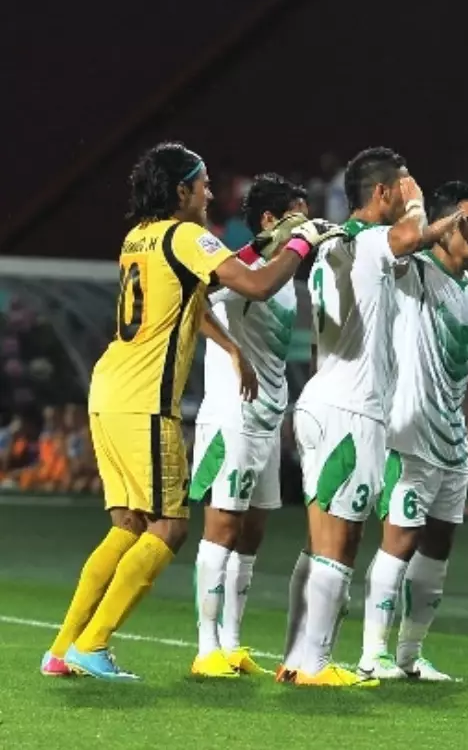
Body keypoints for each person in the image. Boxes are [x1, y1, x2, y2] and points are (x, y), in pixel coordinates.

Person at [43, 141, 340, 680]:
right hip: (144, 401)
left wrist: (230, 348)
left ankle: (63, 648)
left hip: (107, 389)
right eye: (201, 183)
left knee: (128, 525)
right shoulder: (186, 235)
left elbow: (190, 298)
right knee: (170, 527)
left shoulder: (138, 237)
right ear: (181, 190)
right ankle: (93, 643)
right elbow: (255, 282)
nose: (208, 192)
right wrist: (303, 239)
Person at [279, 147, 462, 688]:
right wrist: (422, 205)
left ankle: (295, 657)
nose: (408, 195)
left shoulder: (335, 243)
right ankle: (314, 665)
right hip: (351, 411)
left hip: (319, 397)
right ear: (384, 193)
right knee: (342, 545)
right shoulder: (370, 240)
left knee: (317, 544)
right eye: (402, 187)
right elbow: (411, 238)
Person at [358, 182, 468, 681]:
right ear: (443, 228)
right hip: (409, 435)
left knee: (437, 552)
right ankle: (373, 654)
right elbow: (399, 242)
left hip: (451, 439)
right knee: (399, 541)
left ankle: (411, 654)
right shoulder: (413, 272)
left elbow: (463, 363)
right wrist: (423, 214)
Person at [188, 173, 309, 679]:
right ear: (269, 221)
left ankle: (233, 644)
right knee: (222, 528)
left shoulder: (284, 282)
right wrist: (232, 350)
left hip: (266, 421)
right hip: (230, 418)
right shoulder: (240, 270)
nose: (309, 228)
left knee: (252, 534)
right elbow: (191, 306)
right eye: (299, 216)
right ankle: (205, 647)